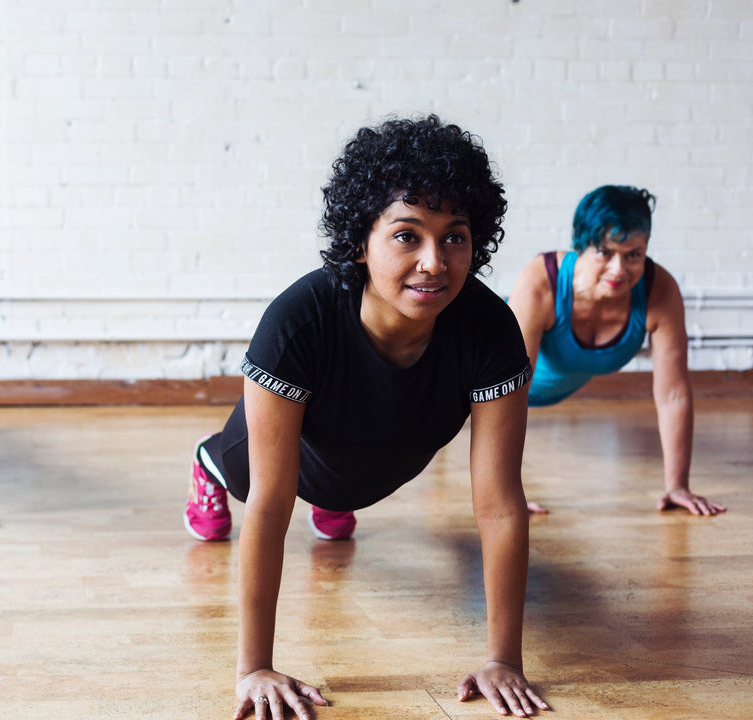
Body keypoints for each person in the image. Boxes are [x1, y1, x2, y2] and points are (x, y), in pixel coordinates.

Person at [184, 116, 548, 719]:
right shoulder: (297, 323)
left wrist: (503, 659)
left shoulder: (489, 330)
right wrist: (253, 668)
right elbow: (272, 511)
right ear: (361, 240)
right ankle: (210, 463)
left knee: (343, 486)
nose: (435, 261)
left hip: (375, 453)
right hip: (292, 457)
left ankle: (336, 496)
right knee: (250, 477)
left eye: (455, 236)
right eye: (408, 236)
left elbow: (500, 504)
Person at [507, 185, 726, 517]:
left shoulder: (659, 291)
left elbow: (674, 396)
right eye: (605, 252)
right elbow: (509, 391)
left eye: (633, 254)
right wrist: (505, 494)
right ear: (581, 246)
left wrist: (677, 485)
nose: (619, 269)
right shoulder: (543, 282)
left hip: (545, 390)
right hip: (482, 379)